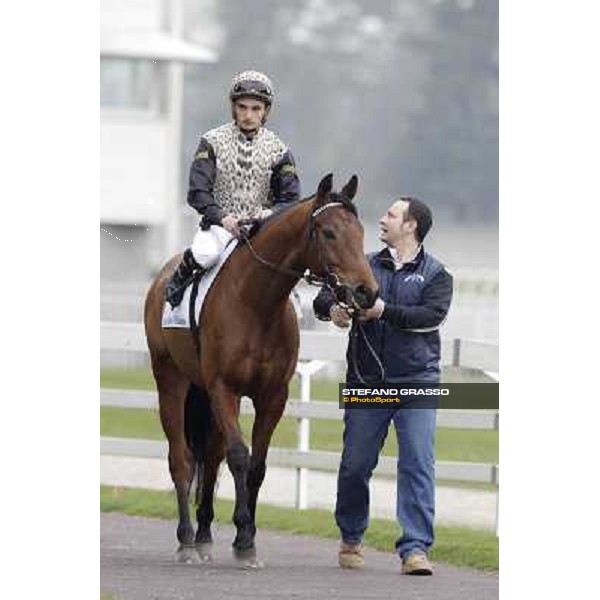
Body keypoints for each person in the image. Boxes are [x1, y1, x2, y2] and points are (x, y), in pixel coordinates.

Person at [313, 197, 453, 575]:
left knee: (418, 464)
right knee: (355, 465)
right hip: (367, 380)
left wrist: (382, 312)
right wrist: (334, 311)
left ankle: (415, 549)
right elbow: (323, 296)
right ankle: (351, 536)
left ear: (411, 226)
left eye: (392, 214)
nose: (383, 218)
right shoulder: (365, 263)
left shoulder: (438, 275)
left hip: (417, 383)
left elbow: (429, 317)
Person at [165, 70, 301, 308]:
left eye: (256, 108)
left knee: (286, 273)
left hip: (261, 229)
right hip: (220, 227)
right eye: (242, 107)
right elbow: (197, 192)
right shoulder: (211, 141)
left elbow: (290, 199)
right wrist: (224, 219)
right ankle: (177, 291)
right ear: (233, 107)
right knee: (205, 254)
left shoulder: (280, 150)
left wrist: (268, 215)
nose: (248, 115)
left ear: (266, 111)